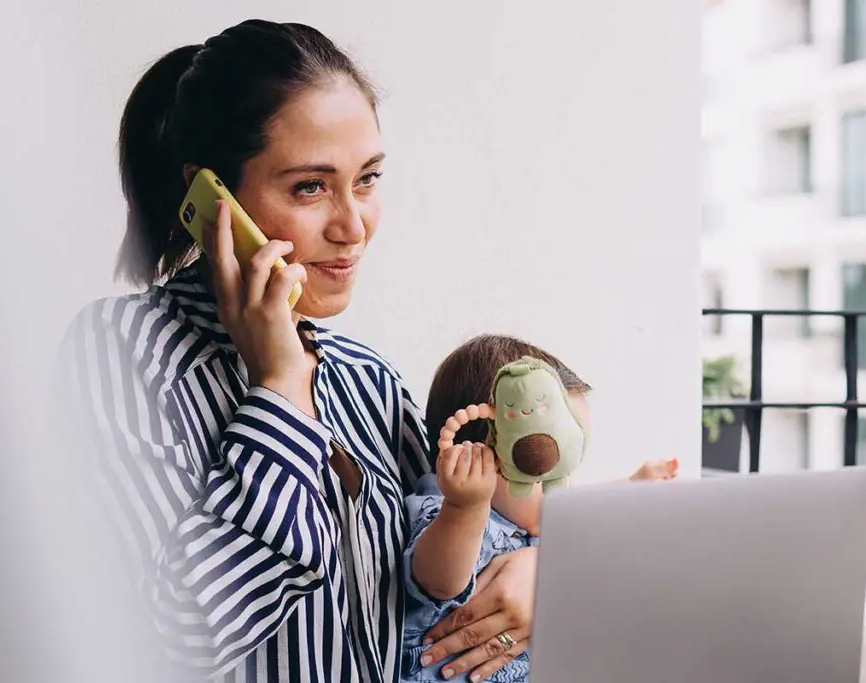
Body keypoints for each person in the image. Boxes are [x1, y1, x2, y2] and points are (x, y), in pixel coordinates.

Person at [56, 20, 536, 683]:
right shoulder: (122, 354)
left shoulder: (370, 382)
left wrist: (531, 571)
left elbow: (448, 561)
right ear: (212, 199)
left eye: (366, 179)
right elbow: (172, 641)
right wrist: (279, 388)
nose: (352, 226)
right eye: (310, 187)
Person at [402, 334, 678, 682]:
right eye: (546, 471)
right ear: (480, 457)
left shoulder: (527, 515)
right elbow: (439, 582)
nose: (564, 487)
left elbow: (571, 505)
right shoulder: (450, 515)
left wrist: (634, 486)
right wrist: (465, 507)